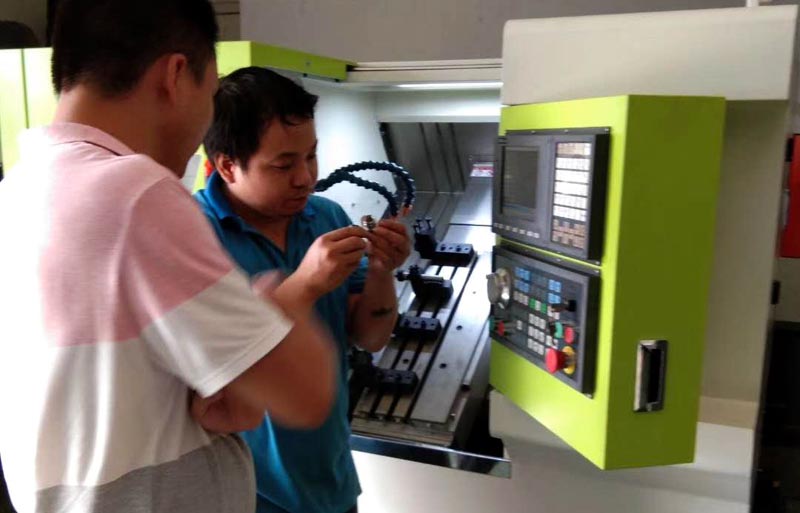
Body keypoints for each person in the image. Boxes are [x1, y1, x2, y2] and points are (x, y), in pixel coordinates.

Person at [0, 2, 343, 512]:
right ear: (176, 75)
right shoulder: (133, 192)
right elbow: (305, 392)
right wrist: (281, 299)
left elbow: (133, 388)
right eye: (211, 92)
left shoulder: (20, 188)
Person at [197, 67, 411, 513]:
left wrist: (381, 271)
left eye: (311, 156)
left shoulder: (326, 216)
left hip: (331, 482)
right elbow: (206, 373)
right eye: (284, 164)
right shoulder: (191, 234)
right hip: (244, 494)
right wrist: (306, 283)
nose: (305, 178)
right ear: (228, 165)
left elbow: (370, 337)